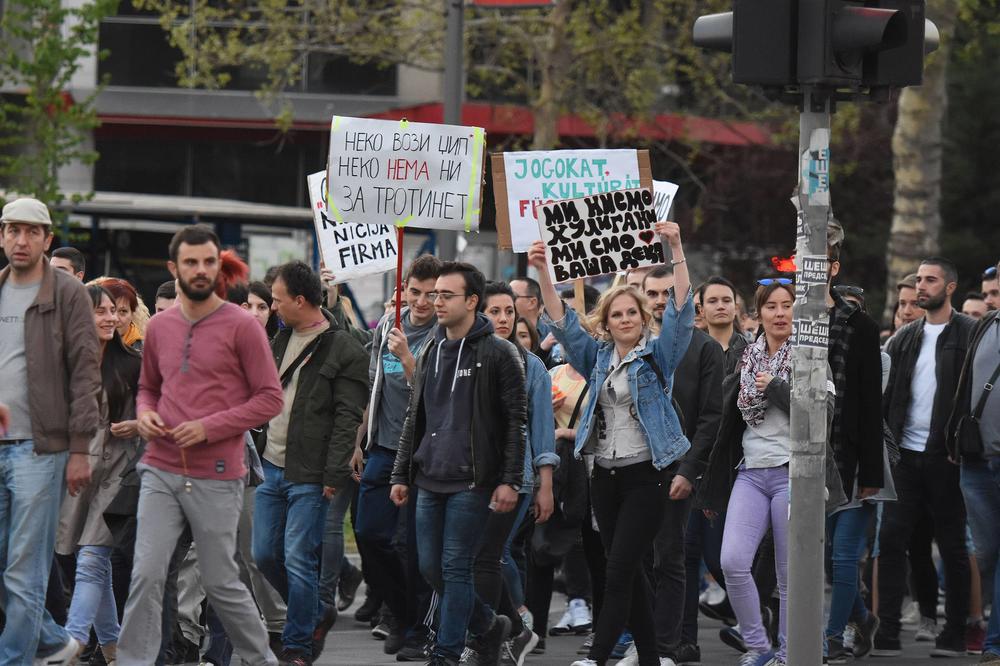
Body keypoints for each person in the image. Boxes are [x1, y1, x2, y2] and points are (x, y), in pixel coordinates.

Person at [117, 224, 284, 664]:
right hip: (160, 468)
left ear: (218, 266)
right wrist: (146, 413)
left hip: (218, 474)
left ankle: (262, 659)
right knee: (146, 575)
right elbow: (148, 388)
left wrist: (209, 428)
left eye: (208, 261)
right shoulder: (159, 327)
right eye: (190, 262)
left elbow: (270, 399)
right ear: (174, 268)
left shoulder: (242, 326)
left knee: (221, 582)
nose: (200, 269)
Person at [530, 220, 694, 666]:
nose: (625, 320)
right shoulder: (596, 356)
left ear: (643, 319)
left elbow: (682, 312)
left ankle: (597, 656)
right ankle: (651, 658)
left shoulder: (659, 355)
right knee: (629, 571)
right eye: (617, 314)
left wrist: (675, 247)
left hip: (646, 476)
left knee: (619, 570)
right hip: (602, 476)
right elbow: (564, 324)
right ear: (606, 321)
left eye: (632, 314)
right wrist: (544, 271)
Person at [698, 278, 844, 666]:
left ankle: (787, 653)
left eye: (787, 305)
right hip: (750, 472)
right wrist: (711, 482)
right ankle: (758, 645)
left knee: (788, 575)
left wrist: (778, 387)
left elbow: (822, 418)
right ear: (757, 314)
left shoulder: (812, 357)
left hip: (793, 475)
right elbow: (726, 426)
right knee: (732, 562)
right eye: (771, 306)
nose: (780, 314)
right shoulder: (747, 358)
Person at [389, 261, 527, 666]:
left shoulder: (499, 353)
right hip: (429, 477)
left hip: (472, 481)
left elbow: (516, 422)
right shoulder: (430, 349)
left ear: (471, 301)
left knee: (455, 567)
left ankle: (446, 654)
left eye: (446, 295)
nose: (436, 302)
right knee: (431, 568)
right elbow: (416, 417)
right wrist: (401, 473)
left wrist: (510, 480)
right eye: (435, 294)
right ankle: (488, 625)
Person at [251, 261, 369, 664]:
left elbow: (347, 417)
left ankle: (298, 645)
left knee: (298, 558)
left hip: (312, 473)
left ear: (300, 300)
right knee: (264, 554)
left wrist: (334, 473)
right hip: (270, 466)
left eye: (277, 300)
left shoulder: (345, 349)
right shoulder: (280, 339)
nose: (273, 307)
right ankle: (315, 611)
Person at [0, 197, 101, 663]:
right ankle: (54, 641)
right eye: (12, 230)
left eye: (31, 231)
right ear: (2, 235)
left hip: (41, 450)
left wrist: (79, 449)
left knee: (25, 570)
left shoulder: (68, 293)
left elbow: (85, 372)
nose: (21, 240)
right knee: (8, 569)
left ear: (47, 239)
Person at [875, 257, 976, 658]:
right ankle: (887, 633)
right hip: (905, 456)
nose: (921, 286)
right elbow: (886, 398)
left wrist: (963, 448)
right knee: (890, 540)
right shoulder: (904, 338)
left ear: (950, 287)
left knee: (952, 546)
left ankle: (954, 634)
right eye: (919, 279)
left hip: (946, 458)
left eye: (930, 280)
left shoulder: (970, 333)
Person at [629, 265, 724, 666]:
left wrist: (688, 469)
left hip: (677, 472)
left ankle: (665, 648)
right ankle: (642, 642)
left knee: (669, 559)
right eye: (652, 293)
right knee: (632, 561)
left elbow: (711, 416)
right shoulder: (630, 345)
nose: (660, 301)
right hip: (630, 469)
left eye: (669, 293)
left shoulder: (705, 349)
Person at [351, 254, 442, 659]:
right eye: (415, 292)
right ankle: (401, 613)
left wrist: (407, 358)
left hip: (422, 453)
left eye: (431, 294)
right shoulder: (389, 323)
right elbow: (374, 385)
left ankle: (418, 628)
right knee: (369, 533)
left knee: (414, 546)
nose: (421, 302)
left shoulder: (443, 333)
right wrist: (359, 439)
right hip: (384, 446)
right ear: (402, 289)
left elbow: (435, 394)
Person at [473, 281, 558, 665]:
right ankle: (512, 629)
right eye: (495, 311)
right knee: (478, 557)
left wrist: (545, 485)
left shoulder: (532, 366)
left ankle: (498, 633)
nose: (504, 318)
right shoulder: (469, 356)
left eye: (509, 311)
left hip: (518, 478)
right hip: (473, 475)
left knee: (490, 555)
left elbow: (542, 431)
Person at [57, 284, 142, 666]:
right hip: (75, 473)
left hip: (118, 474)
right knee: (93, 564)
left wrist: (137, 424)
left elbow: (156, 411)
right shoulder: (66, 363)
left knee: (92, 560)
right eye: (102, 311)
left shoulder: (134, 363)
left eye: (116, 311)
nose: (111, 318)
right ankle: (113, 650)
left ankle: (72, 643)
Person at [823, 242, 888, 662]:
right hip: (805, 459)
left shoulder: (860, 327)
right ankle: (862, 617)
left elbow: (869, 404)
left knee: (845, 556)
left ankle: (831, 636)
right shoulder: (790, 318)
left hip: (851, 456)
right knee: (829, 560)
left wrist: (871, 473)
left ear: (832, 267)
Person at [945, 259, 1000, 663]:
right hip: (976, 460)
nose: (991, 297)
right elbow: (966, 387)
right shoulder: (985, 326)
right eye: (989, 291)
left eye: (996, 290)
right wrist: (954, 437)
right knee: (988, 554)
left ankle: (994, 645)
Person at [97, 277, 148, 351]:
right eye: (111, 310)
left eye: (123, 311)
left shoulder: (147, 351)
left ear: (132, 314)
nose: (115, 319)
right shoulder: (82, 347)